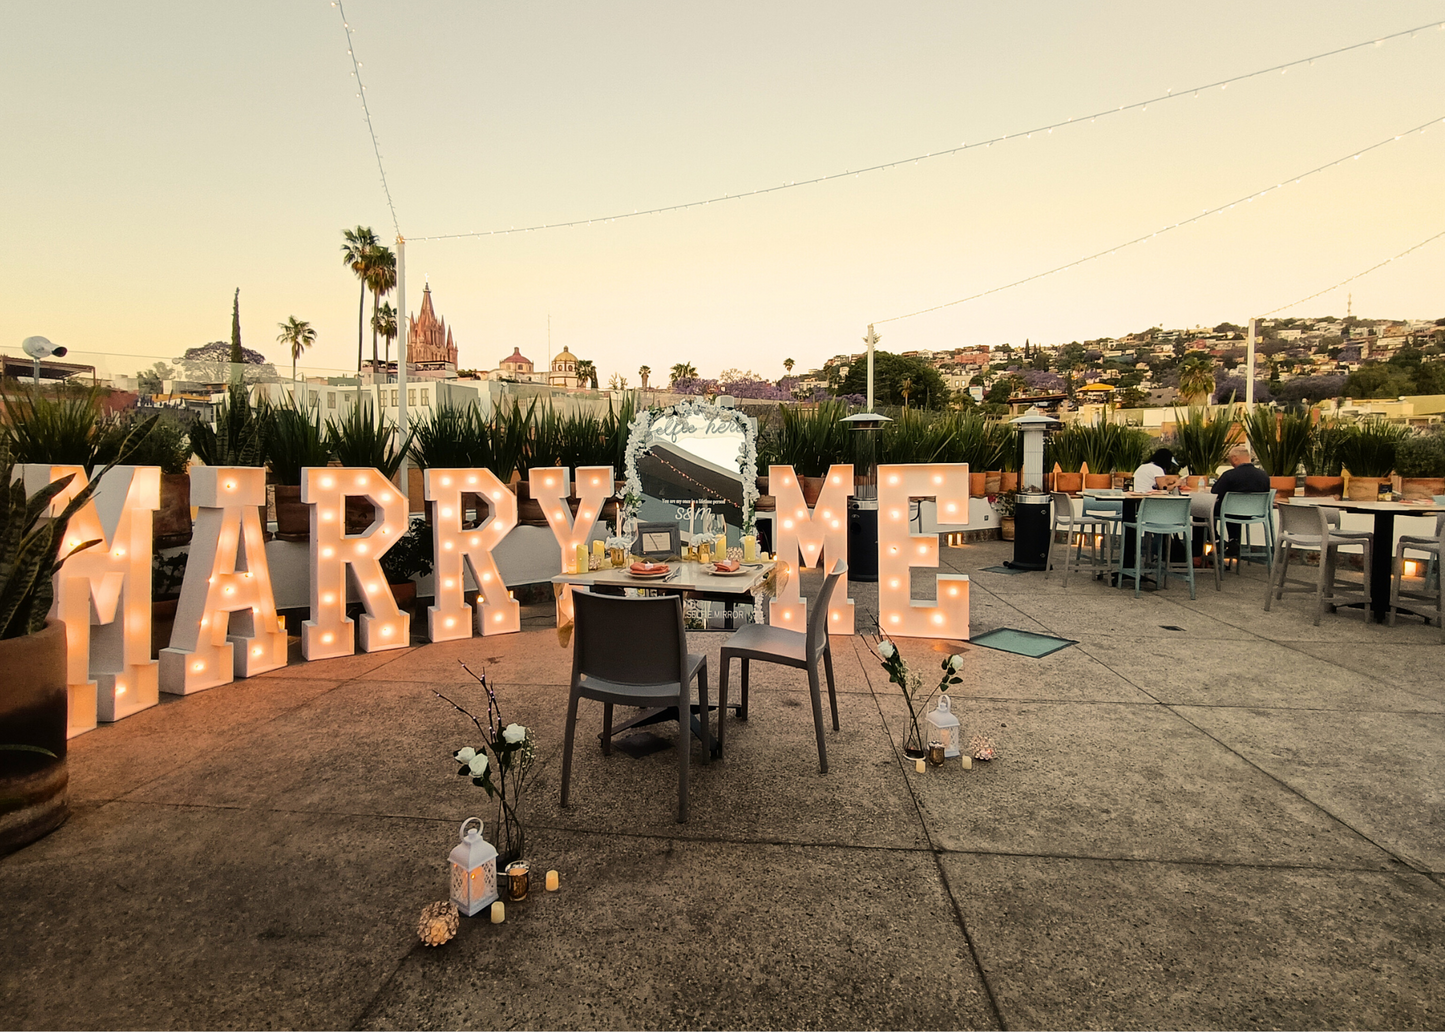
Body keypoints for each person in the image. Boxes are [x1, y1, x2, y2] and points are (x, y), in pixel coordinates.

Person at [1210, 445, 1271, 556]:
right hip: (1255, 512)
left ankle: (1216, 540)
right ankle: (1234, 540)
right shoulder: (1264, 476)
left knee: (1203, 510)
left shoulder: (1229, 475)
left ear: (1234, 458)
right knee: (1234, 507)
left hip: (1230, 512)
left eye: (1230, 460)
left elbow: (1214, 493)